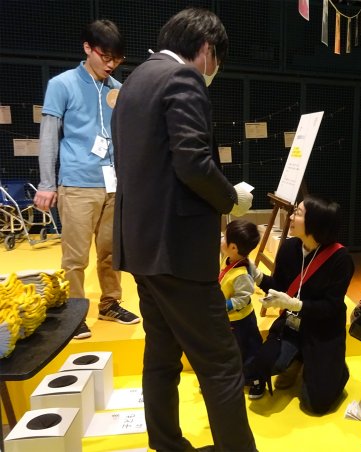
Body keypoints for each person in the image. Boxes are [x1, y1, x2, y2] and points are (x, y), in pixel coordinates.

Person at [111, 8, 256, 452]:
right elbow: (192, 162)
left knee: (161, 354)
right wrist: (231, 198)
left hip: (139, 246)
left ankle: (166, 444)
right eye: (218, 61)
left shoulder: (135, 81)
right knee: (220, 361)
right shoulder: (183, 78)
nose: (214, 71)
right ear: (207, 49)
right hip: (176, 250)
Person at [33, 19, 139, 340]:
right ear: (87, 48)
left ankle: (110, 303)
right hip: (77, 183)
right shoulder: (62, 84)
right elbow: (49, 136)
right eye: (105, 56)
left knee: (111, 252)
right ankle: (74, 312)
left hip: (113, 186)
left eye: (117, 59)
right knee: (75, 257)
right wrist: (47, 183)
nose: (111, 64)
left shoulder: (118, 89)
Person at [248, 194, 355, 414]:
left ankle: (334, 367)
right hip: (291, 326)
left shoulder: (341, 259)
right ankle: (296, 359)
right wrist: (258, 276)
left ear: (315, 223)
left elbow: (331, 307)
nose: (291, 217)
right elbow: (279, 286)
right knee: (264, 363)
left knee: (316, 404)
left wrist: (297, 305)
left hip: (323, 331)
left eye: (297, 213)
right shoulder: (289, 248)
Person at [219, 219, 264, 398]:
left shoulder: (242, 274)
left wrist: (223, 306)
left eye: (224, 237)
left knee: (249, 349)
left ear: (234, 247)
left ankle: (256, 380)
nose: (221, 239)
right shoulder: (229, 258)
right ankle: (235, 376)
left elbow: (242, 299)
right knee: (232, 349)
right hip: (229, 319)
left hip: (242, 321)